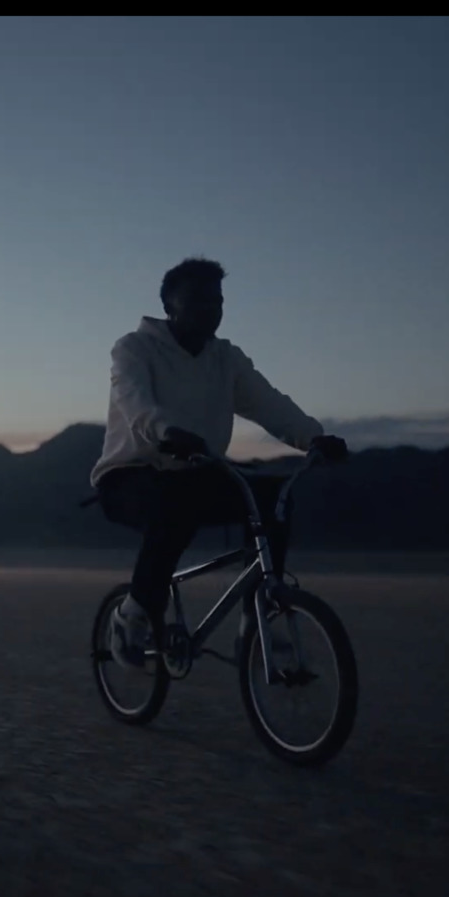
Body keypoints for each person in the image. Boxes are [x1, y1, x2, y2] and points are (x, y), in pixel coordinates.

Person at [90, 256, 348, 667]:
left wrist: (313, 436)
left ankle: (258, 618)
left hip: (196, 473)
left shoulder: (225, 359)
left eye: (217, 301)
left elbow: (269, 404)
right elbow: (136, 403)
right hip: (129, 477)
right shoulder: (133, 349)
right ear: (170, 306)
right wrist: (167, 432)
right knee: (173, 509)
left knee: (273, 499)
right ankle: (133, 613)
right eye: (198, 301)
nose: (211, 310)